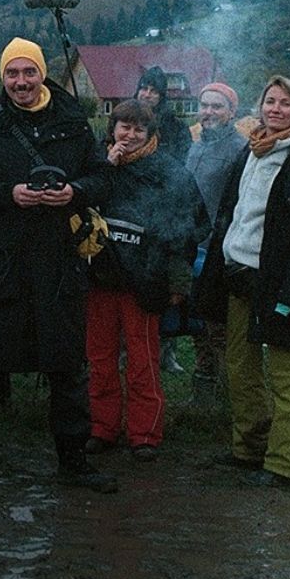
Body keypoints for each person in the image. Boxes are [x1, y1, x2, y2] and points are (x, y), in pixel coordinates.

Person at [0, 37, 115, 494]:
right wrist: (9, 194)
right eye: (11, 74)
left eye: (28, 72)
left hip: (60, 265)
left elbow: (101, 179)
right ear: (2, 79)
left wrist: (74, 192)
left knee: (67, 369)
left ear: (42, 73)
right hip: (1, 266)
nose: (21, 82)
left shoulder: (73, 123)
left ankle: (74, 462)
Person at [193, 75, 290, 492]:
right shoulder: (252, 151)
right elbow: (232, 212)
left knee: (286, 375)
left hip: (278, 281)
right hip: (239, 274)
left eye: (285, 103)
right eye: (270, 101)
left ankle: (289, 466)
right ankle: (249, 448)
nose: (275, 109)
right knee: (240, 366)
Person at [86, 99, 208, 461]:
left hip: (146, 279)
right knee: (100, 359)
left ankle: (144, 434)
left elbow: (188, 231)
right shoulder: (97, 166)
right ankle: (102, 428)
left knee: (143, 361)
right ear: (113, 130)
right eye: (124, 127)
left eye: (139, 129)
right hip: (101, 277)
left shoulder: (169, 172)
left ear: (150, 133)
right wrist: (104, 169)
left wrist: (178, 282)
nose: (131, 135)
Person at [185, 82, 247, 404]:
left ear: (231, 112)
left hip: (220, 248)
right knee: (197, 321)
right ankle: (204, 387)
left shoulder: (240, 149)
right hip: (192, 244)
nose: (208, 112)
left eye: (216, 106)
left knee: (218, 324)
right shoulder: (196, 145)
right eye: (204, 105)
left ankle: (229, 394)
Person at [135, 66, 192, 373]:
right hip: (131, 211)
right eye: (144, 88)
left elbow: (181, 168)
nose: (147, 94)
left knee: (165, 284)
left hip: (165, 210)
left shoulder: (175, 128)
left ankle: (166, 349)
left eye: (154, 90)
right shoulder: (126, 119)